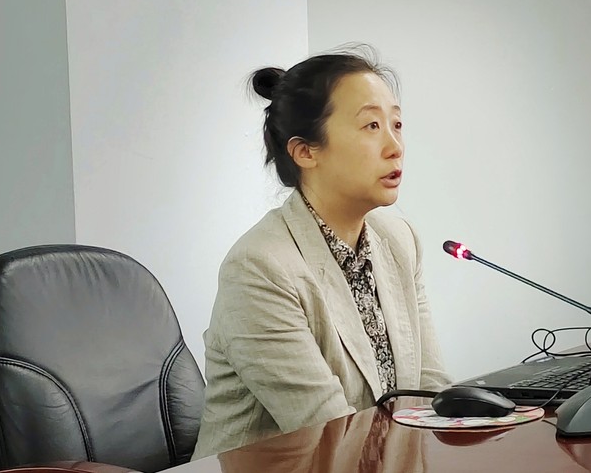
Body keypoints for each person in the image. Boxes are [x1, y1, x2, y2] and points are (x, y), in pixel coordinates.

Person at [192, 49, 451, 458]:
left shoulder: (400, 240)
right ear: (305, 152)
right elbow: (332, 435)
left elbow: (430, 393)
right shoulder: (260, 268)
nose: (395, 146)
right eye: (371, 125)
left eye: (397, 124)